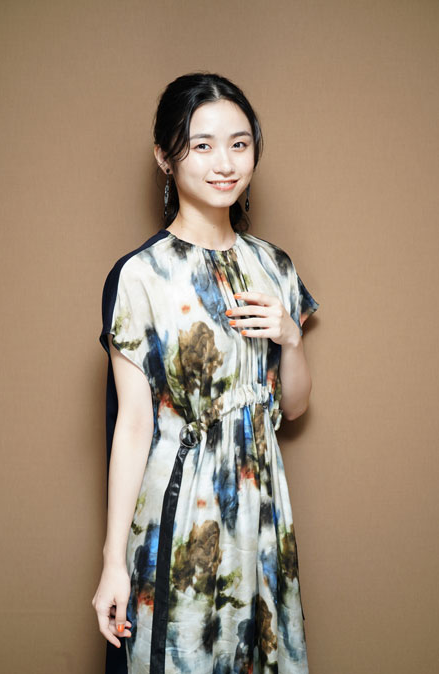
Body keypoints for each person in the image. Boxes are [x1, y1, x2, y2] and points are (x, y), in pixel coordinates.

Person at [92, 72, 319, 674]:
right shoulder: (139, 276)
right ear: (165, 156)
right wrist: (113, 562)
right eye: (202, 145)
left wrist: (291, 337)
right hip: (182, 510)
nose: (225, 163)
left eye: (240, 144)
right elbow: (132, 425)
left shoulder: (273, 265)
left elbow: (293, 408)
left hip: (262, 509)